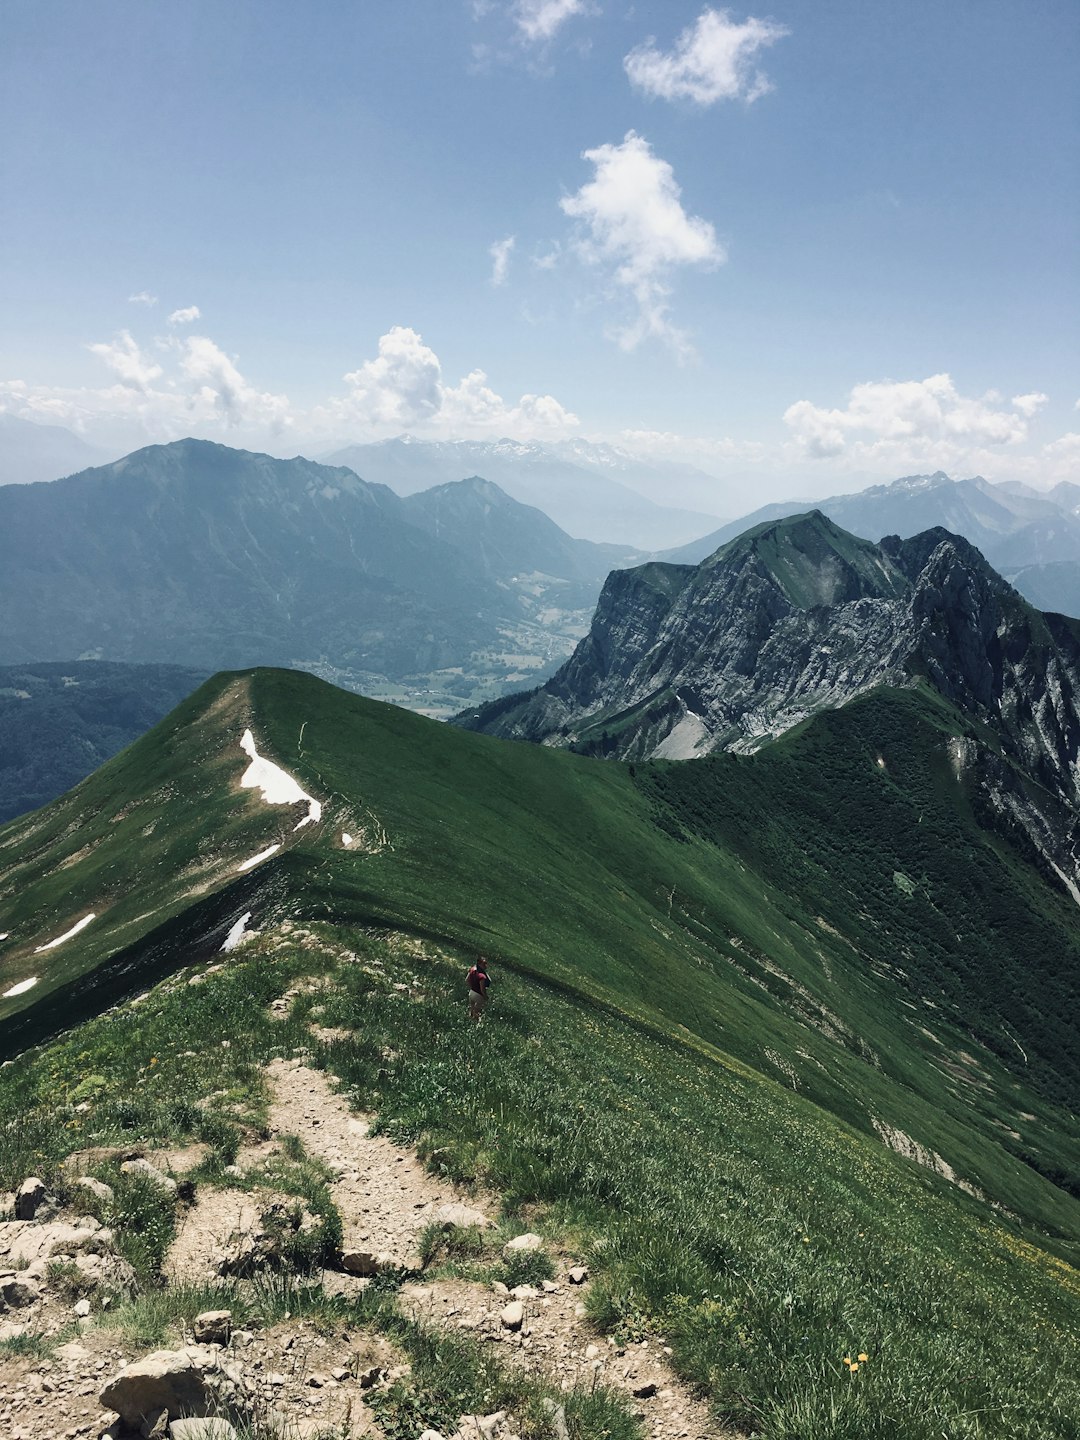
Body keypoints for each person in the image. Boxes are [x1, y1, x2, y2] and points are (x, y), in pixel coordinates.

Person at [466, 958, 492, 1023]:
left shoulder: (472, 970)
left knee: (471, 1010)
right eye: (484, 964)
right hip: (479, 996)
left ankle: (469, 1021)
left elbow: (467, 980)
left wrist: (472, 987)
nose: (486, 965)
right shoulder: (482, 976)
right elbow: (482, 989)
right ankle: (477, 1024)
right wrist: (485, 997)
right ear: (480, 964)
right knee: (477, 1012)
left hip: (471, 993)